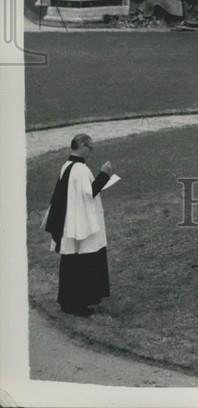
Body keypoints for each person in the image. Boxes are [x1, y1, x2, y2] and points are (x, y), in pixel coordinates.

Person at [44, 134, 113, 317]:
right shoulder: (80, 170)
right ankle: (78, 304)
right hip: (80, 225)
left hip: (70, 223)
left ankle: (68, 301)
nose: (90, 152)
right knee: (82, 263)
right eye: (89, 148)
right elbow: (90, 191)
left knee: (70, 263)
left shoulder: (66, 166)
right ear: (82, 146)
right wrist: (104, 174)